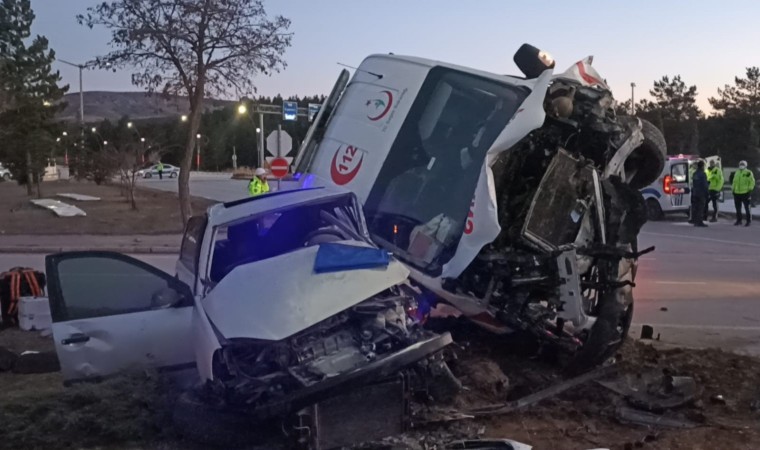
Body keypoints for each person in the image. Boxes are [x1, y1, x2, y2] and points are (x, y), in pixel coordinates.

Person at [732, 160, 755, 226]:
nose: (741, 165)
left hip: (745, 193)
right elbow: (734, 182)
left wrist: (749, 189)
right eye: (740, 164)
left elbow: (752, 182)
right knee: (738, 208)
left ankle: (748, 221)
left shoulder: (748, 172)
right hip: (737, 193)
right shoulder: (737, 172)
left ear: (745, 165)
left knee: (747, 208)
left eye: (743, 164)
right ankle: (739, 220)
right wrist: (733, 189)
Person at [691, 160, 709, 227]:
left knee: (696, 207)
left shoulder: (695, 174)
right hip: (701, 193)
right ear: (702, 166)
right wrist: (707, 192)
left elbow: (694, 183)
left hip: (695, 193)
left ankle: (695, 221)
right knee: (701, 208)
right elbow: (705, 184)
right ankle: (699, 222)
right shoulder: (703, 174)